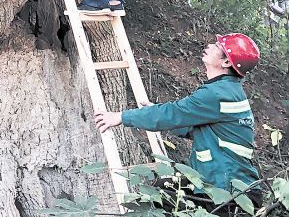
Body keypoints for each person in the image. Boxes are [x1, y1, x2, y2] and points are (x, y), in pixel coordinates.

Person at [94, 33, 262, 201]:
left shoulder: (216, 94)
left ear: (226, 62)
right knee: (164, 191)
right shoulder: (228, 91)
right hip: (230, 186)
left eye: (218, 47)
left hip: (227, 192)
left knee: (164, 198)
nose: (210, 46)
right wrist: (154, 112)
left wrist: (121, 117)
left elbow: (172, 114)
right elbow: (194, 126)